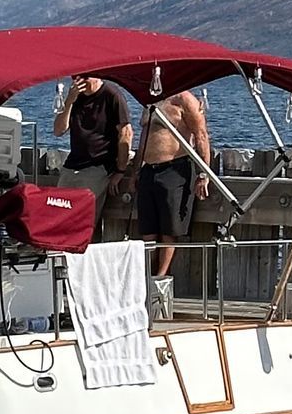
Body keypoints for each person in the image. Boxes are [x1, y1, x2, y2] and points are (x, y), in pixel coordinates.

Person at [133, 87, 212, 280]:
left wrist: (204, 174)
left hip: (175, 168)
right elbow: (144, 136)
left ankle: (160, 277)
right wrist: (136, 170)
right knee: (147, 229)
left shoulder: (184, 99)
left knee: (170, 228)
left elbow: (201, 135)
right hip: (148, 169)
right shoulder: (149, 99)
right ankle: (146, 275)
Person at [52, 75, 133, 229]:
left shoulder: (112, 95)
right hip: (72, 165)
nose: (79, 81)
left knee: (81, 218)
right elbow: (58, 130)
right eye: (75, 77)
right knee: (59, 214)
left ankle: (80, 242)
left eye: (85, 77)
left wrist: (120, 170)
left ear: (97, 76)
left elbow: (125, 133)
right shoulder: (75, 97)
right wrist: (69, 101)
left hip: (97, 165)